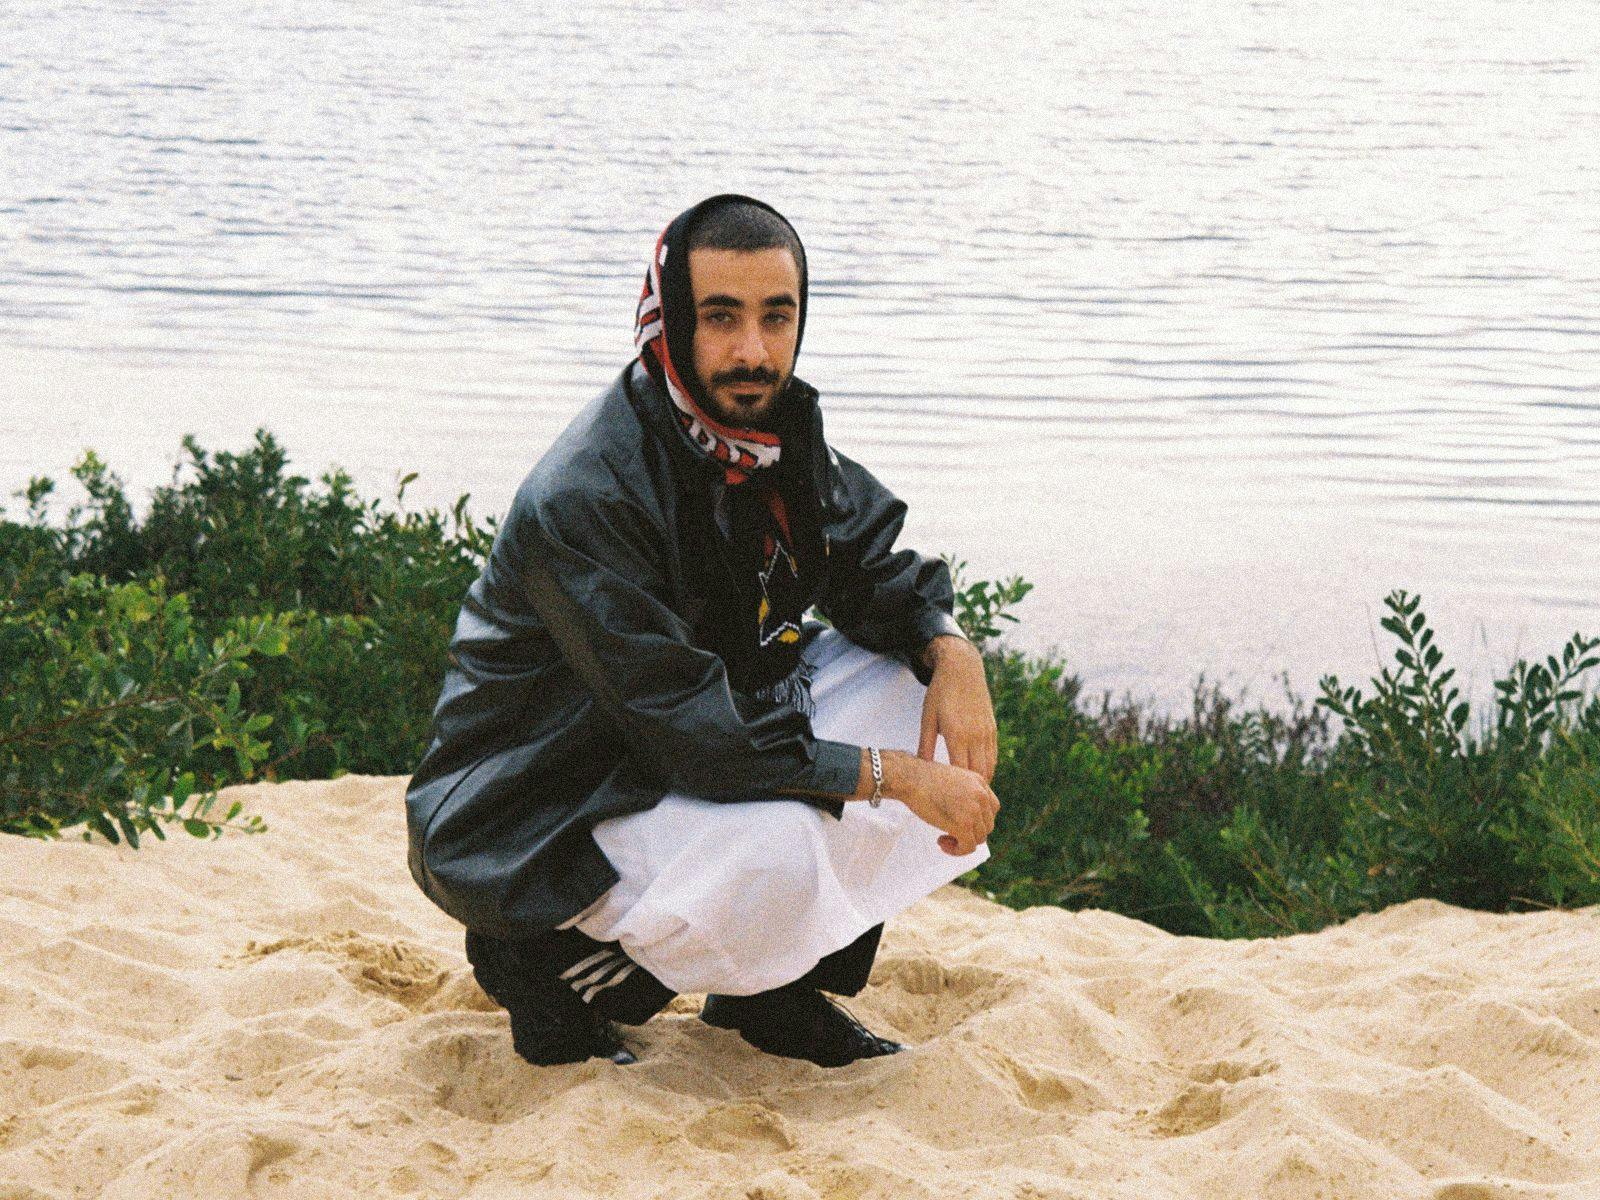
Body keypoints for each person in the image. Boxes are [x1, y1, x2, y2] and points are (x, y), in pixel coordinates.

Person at [404, 193, 1001, 1069]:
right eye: (721, 317)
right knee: (782, 844)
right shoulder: (588, 493)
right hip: (548, 797)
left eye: (776, 317)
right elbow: (697, 739)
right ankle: (546, 966)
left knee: (907, 685)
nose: (753, 351)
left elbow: (870, 565)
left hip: (673, 739)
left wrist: (952, 649)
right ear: (671, 320)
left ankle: (773, 1000)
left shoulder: (771, 431)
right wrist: (894, 778)